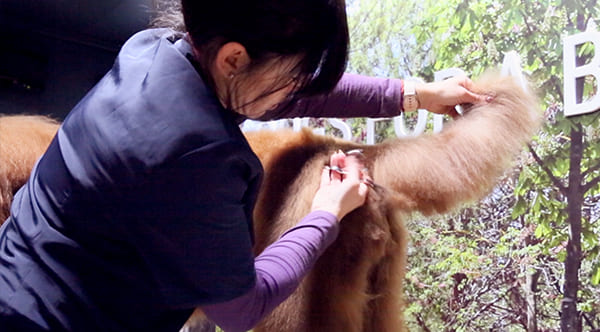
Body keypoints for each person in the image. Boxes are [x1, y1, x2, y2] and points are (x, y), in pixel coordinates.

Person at [0, 1, 490, 331]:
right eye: (292, 73)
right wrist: (323, 214)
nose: (295, 90)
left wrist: (413, 95)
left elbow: (278, 97)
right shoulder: (192, 157)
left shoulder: (154, 51)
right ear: (235, 58)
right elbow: (239, 307)